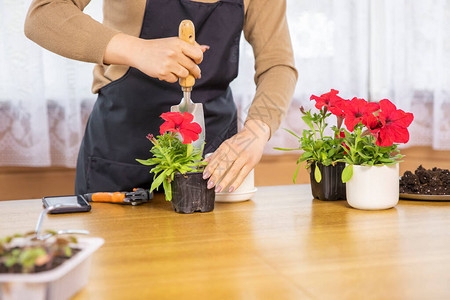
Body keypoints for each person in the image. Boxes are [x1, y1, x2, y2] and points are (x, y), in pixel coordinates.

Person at [24, 0, 297, 195]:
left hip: (211, 157)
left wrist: (257, 130)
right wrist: (136, 50)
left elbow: (278, 64)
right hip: (122, 153)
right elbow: (44, 14)